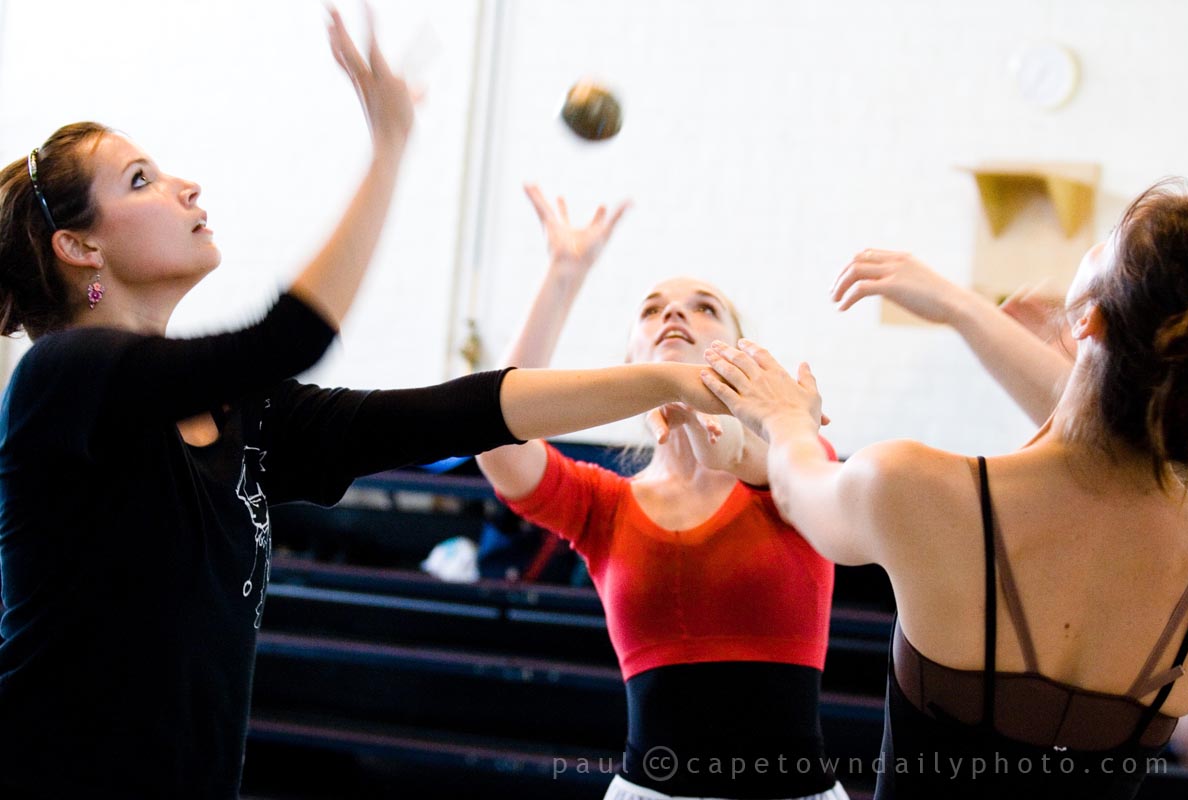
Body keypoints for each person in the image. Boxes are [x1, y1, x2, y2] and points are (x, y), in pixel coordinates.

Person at [0, 14, 723, 799]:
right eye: (140, 180)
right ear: (81, 247)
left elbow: (459, 410)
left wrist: (671, 382)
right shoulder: (62, 377)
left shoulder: (246, 415)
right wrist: (388, 147)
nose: (187, 186)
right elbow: (290, 335)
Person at [703, 181, 1188, 798]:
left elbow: (798, 490)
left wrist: (784, 418)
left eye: (1109, 241)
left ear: (1088, 319)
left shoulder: (915, 487)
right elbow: (1118, 427)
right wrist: (960, 307)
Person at [475, 185, 849, 800]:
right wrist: (564, 276)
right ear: (631, 357)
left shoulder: (796, 460)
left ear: (744, 352)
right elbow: (494, 439)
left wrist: (734, 439)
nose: (674, 314)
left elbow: (770, 460)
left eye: (704, 307)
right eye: (652, 310)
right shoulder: (604, 506)